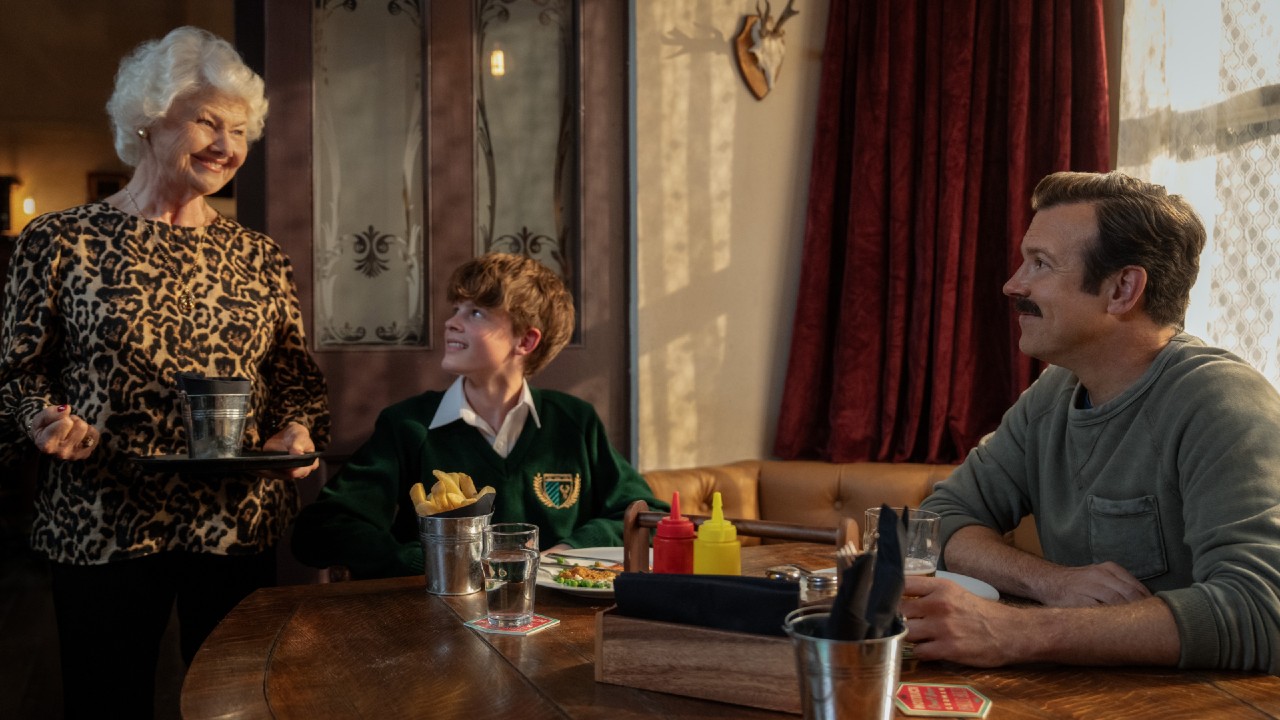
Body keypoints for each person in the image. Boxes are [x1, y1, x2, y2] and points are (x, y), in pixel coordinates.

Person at [0, 27, 330, 717]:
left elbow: (297, 380)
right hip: (100, 519)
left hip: (235, 520)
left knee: (237, 705)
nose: (227, 145)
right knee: (106, 701)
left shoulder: (259, 256)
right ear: (147, 119)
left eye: (240, 130)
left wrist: (298, 431)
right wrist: (41, 418)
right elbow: (15, 374)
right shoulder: (59, 241)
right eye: (207, 121)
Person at [908, 171, 1280, 674]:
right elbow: (942, 519)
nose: (1013, 284)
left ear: (1123, 289)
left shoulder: (1223, 402)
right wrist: (1052, 582)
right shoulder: (1053, 393)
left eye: (1040, 263)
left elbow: (1262, 609)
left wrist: (1015, 630)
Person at [291, 252, 660, 579]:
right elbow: (322, 529)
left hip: (557, 624)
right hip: (438, 627)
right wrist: (430, 563)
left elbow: (646, 515)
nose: (452, 322)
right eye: (456, 310)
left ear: (526, 341)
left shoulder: (575, 422)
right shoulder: (409, 425)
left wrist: (566, 553)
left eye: (477, 313)